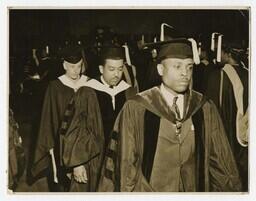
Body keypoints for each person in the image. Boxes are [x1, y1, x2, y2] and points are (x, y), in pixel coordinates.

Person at [98, 38, 241, 192]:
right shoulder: (136, 108)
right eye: (177, 66)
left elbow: (220, 161)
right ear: (160, 69)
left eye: (189, 67)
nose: (185, 73)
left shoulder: (204, 107)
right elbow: (125, 164)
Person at [58, 46, 136, 192]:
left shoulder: (128, 92)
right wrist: (77, 164)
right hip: (93, 161)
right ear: (101, 69)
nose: (117, 74)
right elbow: (74, 128)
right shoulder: (86, 92)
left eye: (120, 69)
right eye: (111, 69)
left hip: (122, 159)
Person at [31, 45, 88, 191]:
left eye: (79, 66)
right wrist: (49, 143)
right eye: (71, 66)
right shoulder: (55, 87)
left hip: (86, 144)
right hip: (62, 143)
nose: (75, 71)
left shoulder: (89, 84)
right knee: (64, 184)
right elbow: (48, 118)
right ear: (64, 65)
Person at [205, 40, 249, 191]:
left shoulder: (219, 76)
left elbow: (210, 109)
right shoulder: (248, 72)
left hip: (226, 132)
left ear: (227, 54)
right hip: (245, 133)